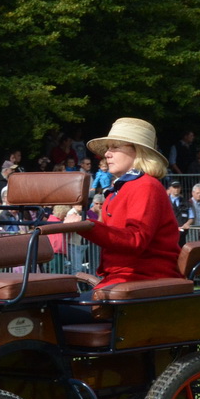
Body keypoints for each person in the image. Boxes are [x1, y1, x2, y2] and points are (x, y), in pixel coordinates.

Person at [66, 118, 181, 287]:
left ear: (138, 151)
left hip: (144, 279)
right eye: (107, 148)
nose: (107, 154)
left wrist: (84, 226)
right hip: (123, 279)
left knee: (56, 309)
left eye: (115, 147)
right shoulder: (121, 189)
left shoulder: (145, 186)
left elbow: (135, 239)